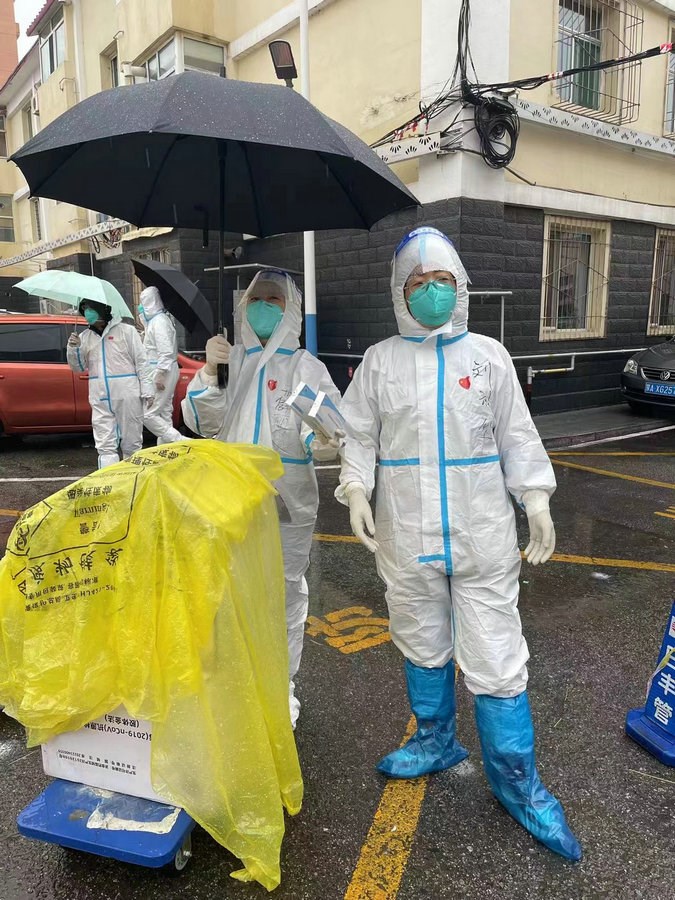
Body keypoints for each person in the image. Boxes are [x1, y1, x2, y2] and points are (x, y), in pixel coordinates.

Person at [335, 226, 581, 861]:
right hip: (405, 533)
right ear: (400, 291)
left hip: (481, 536)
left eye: (442, 280)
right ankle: (435, 740)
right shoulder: (380, 361)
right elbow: (357, 433)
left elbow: (517, 436)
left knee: (496, 659)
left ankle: (519, 787)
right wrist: (357, 488)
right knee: (419, 638)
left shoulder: (489, 357)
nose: (432, 291)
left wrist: (535, 498)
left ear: (461, 285)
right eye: (419, 282)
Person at [182, 269, 341, 728]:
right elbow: (201, 422)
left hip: (287, 502)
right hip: (229, 497)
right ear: (243, 305)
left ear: (290, 310)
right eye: (257, 298)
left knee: (283, 593)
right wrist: (209, 374)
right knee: (227, 591)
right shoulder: (231, 359)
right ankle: (234, 685)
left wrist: (321, 438)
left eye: (275, 299)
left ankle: (278, 687)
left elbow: (327, 426)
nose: (264, 307)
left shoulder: (304, 367)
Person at [67, 299, 154, 468]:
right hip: (100, 397)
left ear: (103, 309)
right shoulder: (84, 337)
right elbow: (78, 367)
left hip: (127, 395)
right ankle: (110, 479)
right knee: (104, 445)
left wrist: (147, 389)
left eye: (91, 308)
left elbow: (142, 362)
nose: (87, 312)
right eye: (84, 309)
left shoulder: (126, 332)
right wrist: (74, 349)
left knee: (132, 442)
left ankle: (132, 477)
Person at [137, 286, 187, 444]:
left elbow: (165, 351)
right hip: (163, 369)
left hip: (161, 370)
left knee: (148, 414)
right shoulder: (156, 322)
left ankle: (178, 440)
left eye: (143, 302)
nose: (140, 306)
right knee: (164, 412)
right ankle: (167, 449)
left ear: (150, 302)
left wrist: (160, 373)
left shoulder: (159, 322)